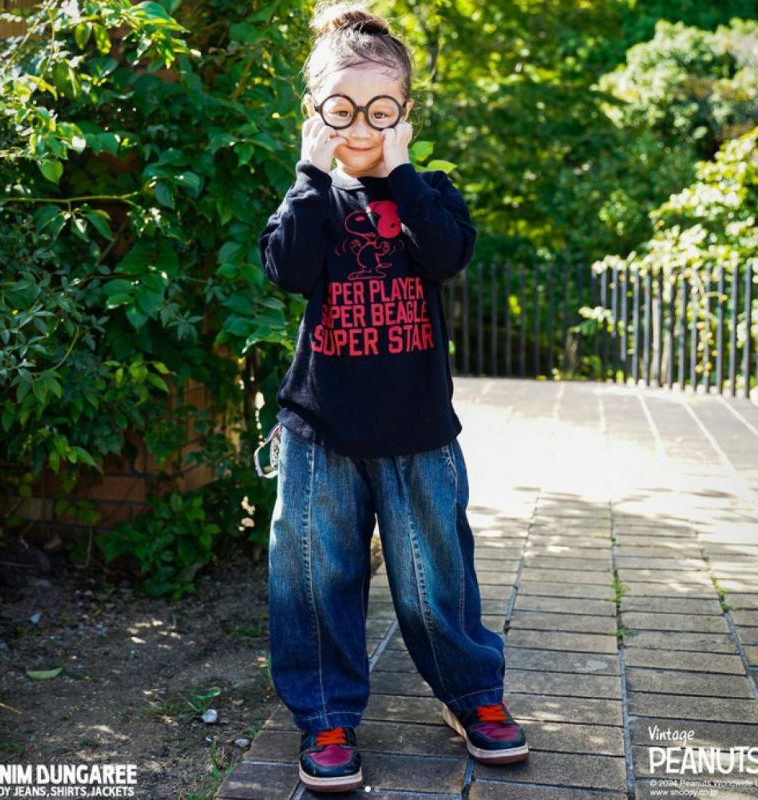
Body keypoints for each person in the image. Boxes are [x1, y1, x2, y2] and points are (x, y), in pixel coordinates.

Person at [257, 1, 529, 792]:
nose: (360, 125)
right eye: (340, 109)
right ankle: (325, 715)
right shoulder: (310, 199)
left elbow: (444, 256)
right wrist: (311, 174)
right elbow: (286, 269)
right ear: (313, 112)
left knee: (436, 577)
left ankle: (472, 696)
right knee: (315, 579)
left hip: (418, 432)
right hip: (320, 432)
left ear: (406, 113)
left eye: (380, 110)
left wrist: (402, 175)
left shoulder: (428, 193)